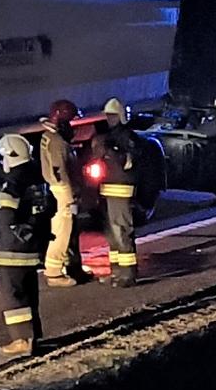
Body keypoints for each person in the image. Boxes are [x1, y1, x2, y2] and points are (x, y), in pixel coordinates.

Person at [0, 134, 53, 357]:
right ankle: (32, 336)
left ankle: (21, 339)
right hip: (31, 247)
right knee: (29, 293)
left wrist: (5, 240)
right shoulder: (36, 177)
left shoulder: (13, 184)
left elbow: (6, 219)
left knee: (13, 294)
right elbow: (49, 207)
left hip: (12, 250)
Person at [90, 98, 142, 287]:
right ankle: (116, 271)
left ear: (121, 116)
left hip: (121, 189)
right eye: (108, 115)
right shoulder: (110, 136)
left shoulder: (127, 137)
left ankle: (128, 274)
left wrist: (109, 151)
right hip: (108, 188)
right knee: (111, 232)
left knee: (121, 230)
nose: (110, 118)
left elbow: (128, 161)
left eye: (113, 115)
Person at [38, 99, 89, 287]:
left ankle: (67, 267)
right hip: (63, 191)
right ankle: (54, 273)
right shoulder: (57, 141)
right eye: (69, 121)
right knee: (62, 230)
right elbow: (61, 170)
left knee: (65, 229)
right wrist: (71, 194)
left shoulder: (49, 137)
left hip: (58, 189)